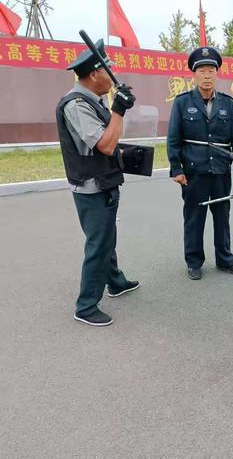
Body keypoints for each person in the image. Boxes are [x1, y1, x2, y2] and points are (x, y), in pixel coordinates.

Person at [55, 39, 139, 327]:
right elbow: (104, 144)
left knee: (106, 236)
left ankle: (114, 281)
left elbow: (112, 141)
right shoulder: (76, 104)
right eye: (108, 69)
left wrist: (117, 112)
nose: (111, 73)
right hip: (91, 186)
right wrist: (119, 111)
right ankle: (86, 305)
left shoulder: (93, 100)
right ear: (94, 73)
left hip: (103, 181)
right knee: (99, 242)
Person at [167, 47, 233, 280]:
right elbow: (173, 139)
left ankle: (225, 260)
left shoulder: (227, 104)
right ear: (194, 75)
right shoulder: (182, 103)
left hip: (221, 171)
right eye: (202, 70)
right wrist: (176, 168)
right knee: (194, 218)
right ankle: (194, 262)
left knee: (222, 217)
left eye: (211, 70)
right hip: (194, 172)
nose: (207, 75)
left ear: (217, 74)